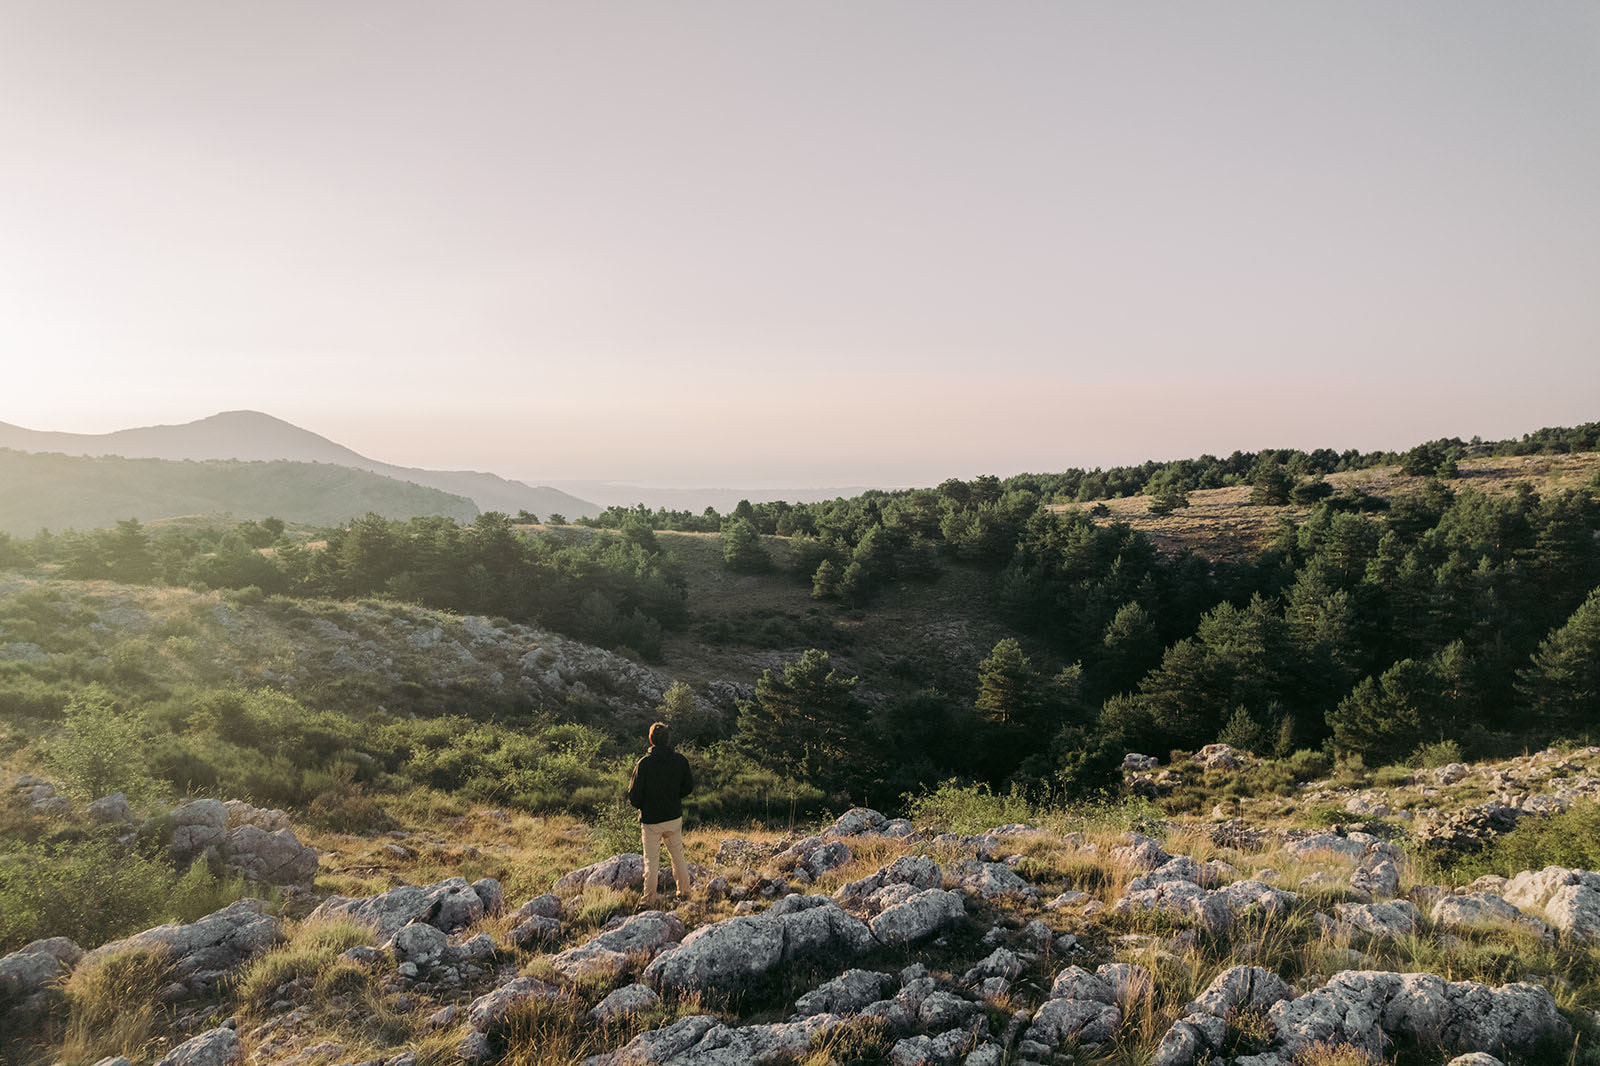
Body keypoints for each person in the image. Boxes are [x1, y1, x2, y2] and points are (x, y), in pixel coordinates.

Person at [626, 720, 694, 906]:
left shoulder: (644, 764)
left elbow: (633, 795)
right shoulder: (680, 760)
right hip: (673, 817)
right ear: (667, 739)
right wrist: (674, 797)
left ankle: (649, 899)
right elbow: (688, 787)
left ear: (651, 740)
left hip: (651, 820)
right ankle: (684, 893)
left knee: (651, 861)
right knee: (678, 856)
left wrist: (644, 806)